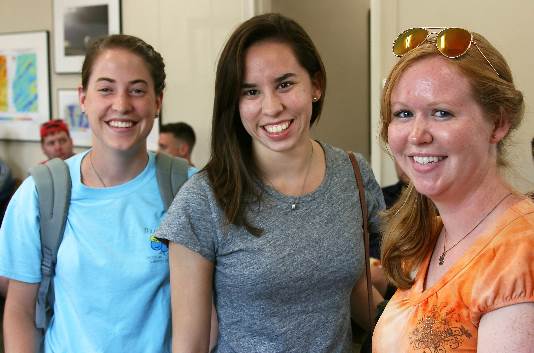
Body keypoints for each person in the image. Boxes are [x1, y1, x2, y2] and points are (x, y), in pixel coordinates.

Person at [156, 13, 385, 352]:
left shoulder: (352, 172)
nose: (272, 107)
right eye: (250, 91)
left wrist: (411, 333)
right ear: (234, 103)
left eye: (285, 84)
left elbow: (348, 288)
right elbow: (190, 344)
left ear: (316, 85)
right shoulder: (204, 198)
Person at [0, 34, 195, 352]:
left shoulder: (188, 189)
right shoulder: (40, 194)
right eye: (106, 89)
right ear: (83, 97)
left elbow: (211, 313)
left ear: (158, 101)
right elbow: (20, 311)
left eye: (137, 90)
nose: (121, 104)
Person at [372, 27, 534, 352]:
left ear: (498, 123)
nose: (417, 135)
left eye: (441, 113)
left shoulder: (519, 252)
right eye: (403, 114)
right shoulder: (428, 237)